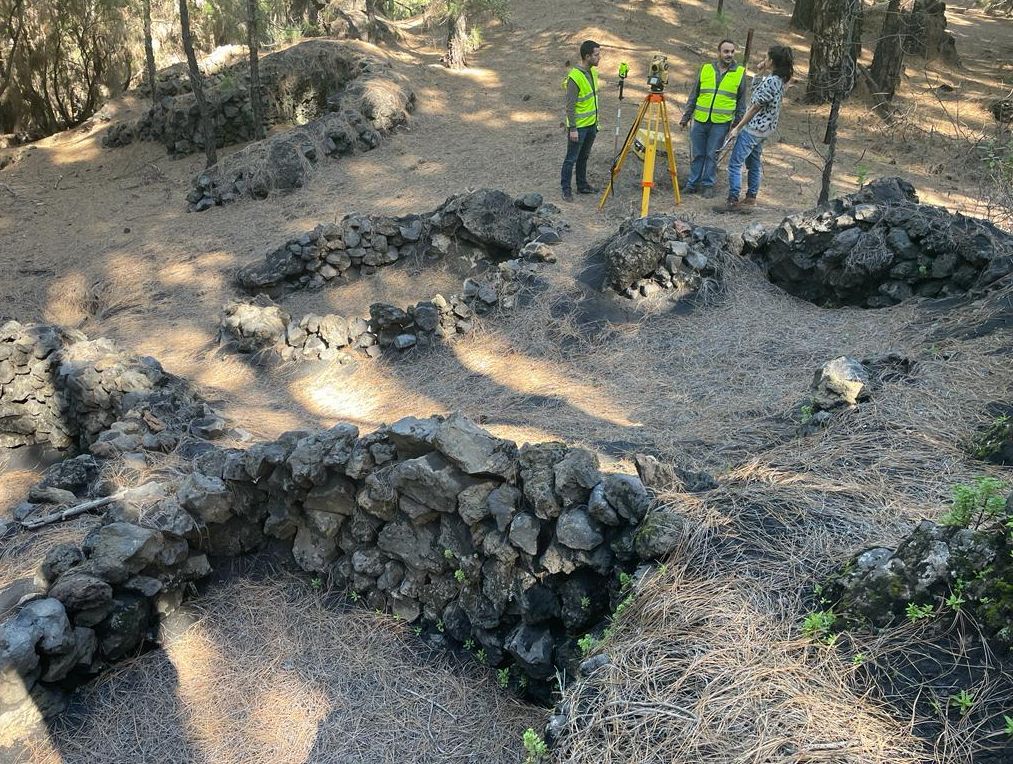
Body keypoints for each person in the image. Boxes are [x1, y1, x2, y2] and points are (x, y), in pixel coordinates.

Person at [719, 45, 794, 212]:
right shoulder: (778, 79)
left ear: (772, 61)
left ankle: (733, 199)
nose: (764, 60)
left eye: (767, 58)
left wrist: (738, 127)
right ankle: (751, 197)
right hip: (763, 130)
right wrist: (759, 72)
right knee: (753, 162)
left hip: (753, 129)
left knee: (735, 163)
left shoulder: (773, 81)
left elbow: (754, 107)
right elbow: (756, 93)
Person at [679, 39, 747, 198]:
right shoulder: (706, 69)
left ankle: (708, 185)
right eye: (726, 51)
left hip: (721, 123)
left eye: (732, 51)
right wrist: (686, 117)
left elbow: (741, 101)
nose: (729, 54)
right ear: (719, 53)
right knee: (698, 153)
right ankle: (692, 183)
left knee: (712, 154)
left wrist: (736, 125)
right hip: (700, 119)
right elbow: (694, 95)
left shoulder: (739, 72)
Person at [560, 40, 601, 202]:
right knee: (571, 158)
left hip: (591, 125)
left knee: (584, 156)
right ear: (587, 56)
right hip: (579, 128)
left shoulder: (593, 73)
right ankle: (566, 189)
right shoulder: (574, 77)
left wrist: (595, 124)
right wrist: (573, 129)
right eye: (596, 55)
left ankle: (582, 185)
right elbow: (570, 107)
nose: (599, 57)